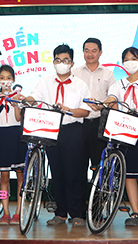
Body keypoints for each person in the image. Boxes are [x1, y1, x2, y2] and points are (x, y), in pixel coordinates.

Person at [24, 44, 91, 227]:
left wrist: (69, 111)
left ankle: (77, 213)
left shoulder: (80, 84)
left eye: (66, 60)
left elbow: (85, 112)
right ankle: (60, 213)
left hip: (72, 131)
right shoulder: (45, 81)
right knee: (57, 172)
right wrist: (24, 100)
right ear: (53, 62)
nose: (62, 63)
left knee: (74, 173)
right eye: (59, 60)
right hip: (50, 130)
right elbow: (33, 97)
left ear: (72, 63)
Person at [103, 47, 138, 227]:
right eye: (126, 59)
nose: (130, 62)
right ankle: (135, 212)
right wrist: (105, 104)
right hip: (124, 128)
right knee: (128, 174)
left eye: (133, 58)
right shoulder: (118, 84)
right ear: (122, 63)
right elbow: (111, 100)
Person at [71, 38, 115, 175]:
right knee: (78, 163)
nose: (90, 54)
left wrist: (101, 105)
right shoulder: (75, 73)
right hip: (79, 124)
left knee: (100, 164)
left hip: (99, 123)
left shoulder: (108, 73)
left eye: (94, 51)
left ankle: (97, 196)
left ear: (100, 52)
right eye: (86, 51)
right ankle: (80, 196)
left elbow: (113, 98)